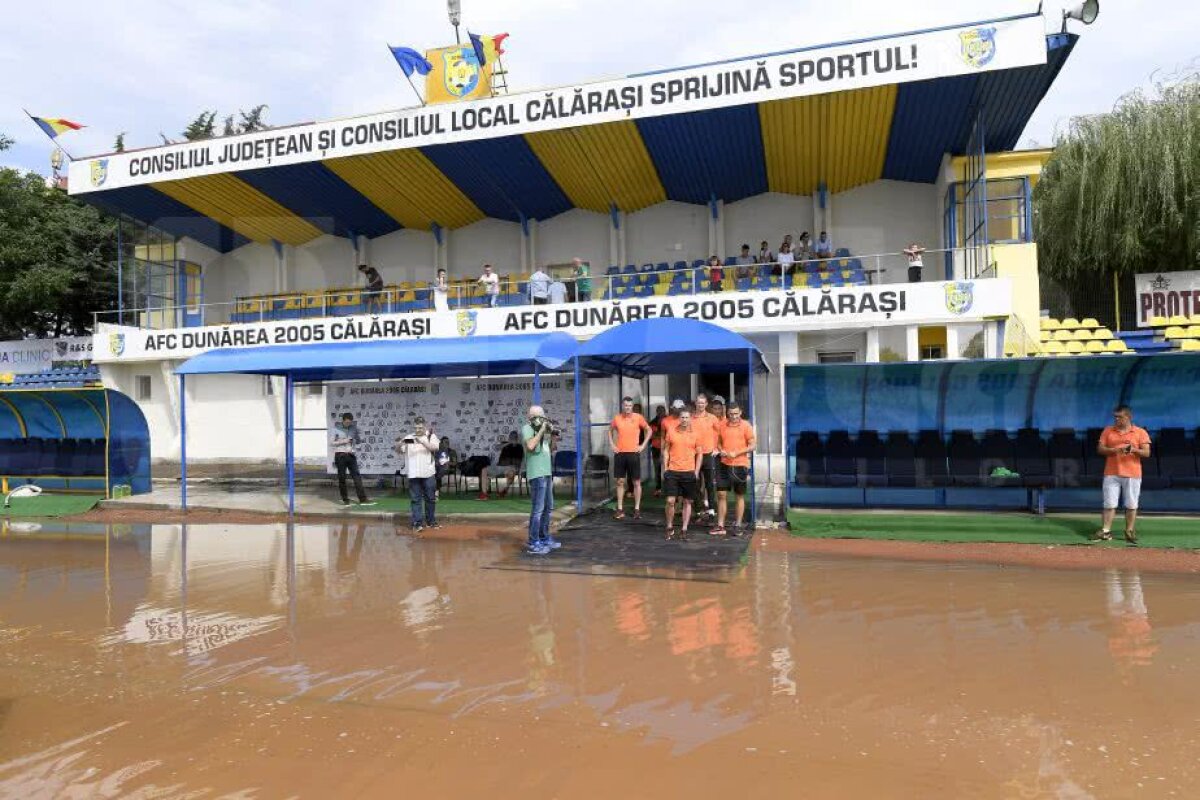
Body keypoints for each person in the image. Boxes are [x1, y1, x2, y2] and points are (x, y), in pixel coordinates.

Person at [1091, 405, 1152, 545]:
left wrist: (1133, 450)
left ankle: (1129, 531)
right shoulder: (1108, 430)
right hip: (1111, 472)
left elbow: (1147, 453)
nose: (1117, 419)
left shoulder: (1140, 432)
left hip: (1132, 473)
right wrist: (1114, 450)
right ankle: (1106, 531)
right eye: (1115, 417)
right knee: (1109, 504)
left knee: (1131, 504)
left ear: (1128, 417)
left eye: (1120, 417)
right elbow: (1100, 449)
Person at [713, 401, 756, 537]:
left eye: (736, 414)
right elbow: (718, 441)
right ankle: (720, 525)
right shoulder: (722, 425)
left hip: (740, 464)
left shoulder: (746, 426)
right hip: (723, 464)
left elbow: (753, 445)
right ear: (727, 413)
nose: (733, 416)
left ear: (740, 413)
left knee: (739, 495)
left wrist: (737, 453)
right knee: (721, 494)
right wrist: (721, 450)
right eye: (731, 414)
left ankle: (738, 525)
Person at [522, 404, 560, 555]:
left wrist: (553, 437)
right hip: (536, 474)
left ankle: (544, 538)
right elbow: (531, 445)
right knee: (538, 509)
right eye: (537, 416)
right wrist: (542, 431)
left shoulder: (542, 432)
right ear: (530, 417)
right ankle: (533, 541)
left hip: (546, 473)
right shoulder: (527, 428)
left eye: (542, 416)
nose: (540, 419)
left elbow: (550, 450)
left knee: (548, 508)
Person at [662, 408, 703, 541]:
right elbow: (666, 450)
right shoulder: (671, 432)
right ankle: (669, 527)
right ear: (679, 419)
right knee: (670, 500)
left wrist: (696, 471)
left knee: (687, 501)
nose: (684, 420)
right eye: (682, 417)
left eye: (687, 417)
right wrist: (666, 467)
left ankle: (684, 529)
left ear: (690, 418)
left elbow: (700, 454)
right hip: (673, 471)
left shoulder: (696, 434)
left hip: (688, 472)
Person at [609, 396, 651, 520]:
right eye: (625, 405)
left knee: (636, 482)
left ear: (632, 406)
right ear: (623, 406)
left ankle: (637, 509)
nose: (627, 407)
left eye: (629, 406)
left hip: (633, 453)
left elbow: (648, 430)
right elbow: (610, 430)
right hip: (620, 454)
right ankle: (620, 509)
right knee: (620, 481)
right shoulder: (617, 418)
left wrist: (643, 445)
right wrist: (612, 444)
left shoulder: (638, 417)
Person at [395, 417, 440, 532]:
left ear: (424, 426)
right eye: (416, 427)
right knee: (415, 499)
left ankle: (431, 521)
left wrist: (423, 442)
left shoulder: (431, 436)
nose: (418, 430)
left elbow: (435, 448)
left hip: (428, 473)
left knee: (430, 498)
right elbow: (399, 451)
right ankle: (417, 523)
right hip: (413, 473)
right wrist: (399, 445)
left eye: (420, 427)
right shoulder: (409, 437)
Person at [331, 413, 374, 507]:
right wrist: (344, 441)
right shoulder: (335, 429)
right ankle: (345, 500)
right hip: (340, 455)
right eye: (346, 422)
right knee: (342, 478)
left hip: (351, 455)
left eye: (349, 423)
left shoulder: (353, 428)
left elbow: (358, 441)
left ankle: (363, 499)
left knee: (357, 477)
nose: (348, 424)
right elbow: (332, 443)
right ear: (343, 420)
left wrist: (357, 438)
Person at [690, 393, 720, 523]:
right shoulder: (690, 418)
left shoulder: (712, 418)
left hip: (708, 454)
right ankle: (697, 511)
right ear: (695, 403)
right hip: (695, 455)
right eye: (698, 402)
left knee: (710, 484)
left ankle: (712, 510)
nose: (700, 405)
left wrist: (717, 448)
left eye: (703, 403)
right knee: (695, 483)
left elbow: (721, 433)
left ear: (706, 404)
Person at [479, 431, 526, 499]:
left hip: (511, 467)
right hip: (499, 466)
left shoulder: (520, 447)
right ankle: (484, 494)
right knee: (484, 470)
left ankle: (503, 491)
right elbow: (497, 448)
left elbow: (519, 461)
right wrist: (508, 443)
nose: (513, 439)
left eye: (514, 437)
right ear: (509, 437)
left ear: (517, 438)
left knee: (511, 473)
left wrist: (516, 444)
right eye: (511, 437)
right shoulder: (505, 444)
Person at [648, 404, 668, 497]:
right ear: (656, 412)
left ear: (665, 411)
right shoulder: (652, 422)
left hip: (668, 449)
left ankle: (669, 489)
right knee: (657, 470)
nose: (661, 412)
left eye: (662, 410)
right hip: (656, 449)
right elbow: (651, 435)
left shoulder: (669, 421)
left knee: (668, 469)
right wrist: (660, 434)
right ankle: (658, 488)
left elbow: (669, 435)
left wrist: (659, 434)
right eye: (659, 411)